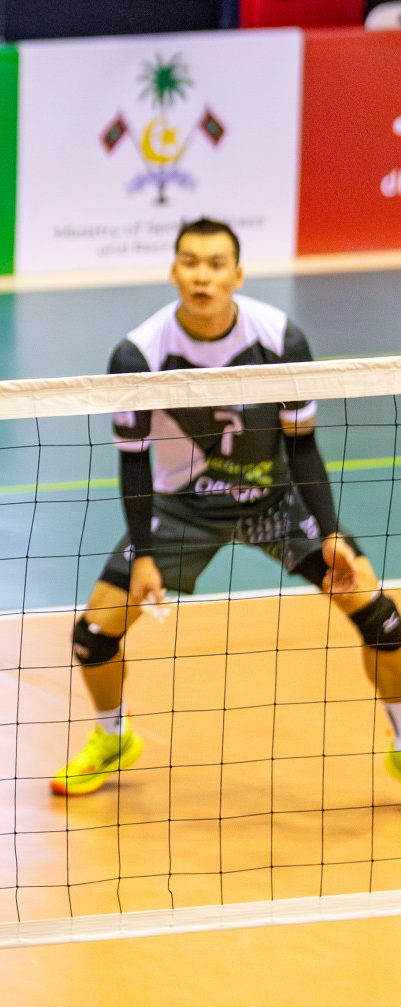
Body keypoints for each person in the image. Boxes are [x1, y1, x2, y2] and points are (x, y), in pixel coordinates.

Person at [53, 218, 401, 796]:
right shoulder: (138, 354)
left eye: (216, 264)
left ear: (237, 275)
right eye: (190, 262)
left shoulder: (280, 339)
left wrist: (331, 531)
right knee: (93, 637)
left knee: (385, 623)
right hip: (184, 507)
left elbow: (302, 443)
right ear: (173, 271)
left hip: (278, 499)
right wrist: (143, 555)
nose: (202, 276)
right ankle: (114, 737)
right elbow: (134, 461)